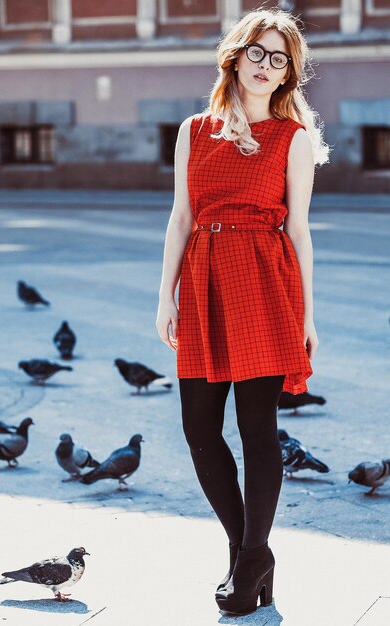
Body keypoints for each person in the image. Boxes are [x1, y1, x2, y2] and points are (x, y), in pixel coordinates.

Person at [156, 7, 329, 616]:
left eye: (279, 58)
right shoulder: (194, 131)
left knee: (258, 431)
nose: (265, 65)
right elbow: (181, 217)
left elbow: (301, 232)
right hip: (203, 281)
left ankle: (250, 558)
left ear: (288, 75)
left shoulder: (293, 139)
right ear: (236, 55)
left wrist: (306, 317)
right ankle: (250, 552)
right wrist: (165, 295)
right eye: (258, 51)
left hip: (265, 284)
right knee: (200, 428)